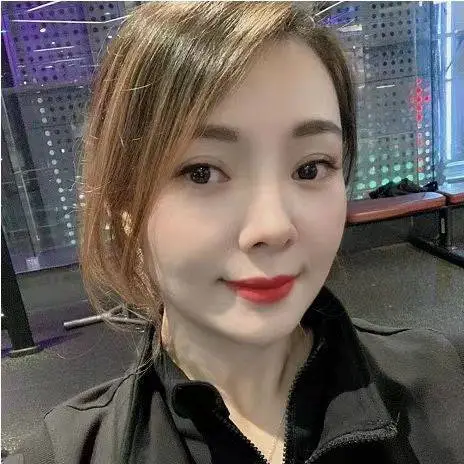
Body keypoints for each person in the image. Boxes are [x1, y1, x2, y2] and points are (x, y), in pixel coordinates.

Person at [13, 2, 463, 464]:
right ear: (123, 204)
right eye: (202, 172)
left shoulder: (442, 388)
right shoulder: (63, 455)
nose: (273, 227)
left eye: (310, 167)